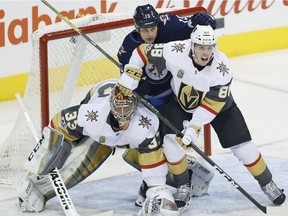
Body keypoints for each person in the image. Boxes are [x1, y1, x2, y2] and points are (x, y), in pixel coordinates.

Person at [117, 25, 286, 206]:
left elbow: (211, 105)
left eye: (209, 48)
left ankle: (267, 183)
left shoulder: (222, 68)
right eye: (201, 47)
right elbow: (142, 52)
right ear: (192, 45)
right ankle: (183, 186)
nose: (205, 53)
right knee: (171, 144)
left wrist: (193, 128)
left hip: (220, 107)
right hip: (181, 104)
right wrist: (131, 72)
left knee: (243, 146)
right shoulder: (176, 51)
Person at [16, 79, 181, 215]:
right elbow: (60, 121)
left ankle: (185, 177)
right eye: (118, 108)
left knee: (141, 156)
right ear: (110, 105)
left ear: (135, 105)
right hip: (101, 127)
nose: (122, 113)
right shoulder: (92, 115)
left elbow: (152, 161)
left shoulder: (146, 123)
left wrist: (157, 189)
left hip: (132, 138)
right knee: (88, 151)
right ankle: (39, 186)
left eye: (127, 107)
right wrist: (50, 151)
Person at [117, 4, 216, 208]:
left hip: (173, 97)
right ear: (136, 27)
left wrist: (206, 21)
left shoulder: (169, 25)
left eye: (152, 28)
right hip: (146, 102)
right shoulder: (128, 47)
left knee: (169, 141)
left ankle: (177, 184)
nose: (150, 33)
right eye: (144, 29)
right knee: (144, 146)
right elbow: (128, 80)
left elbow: (198, 28)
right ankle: (151, 185)